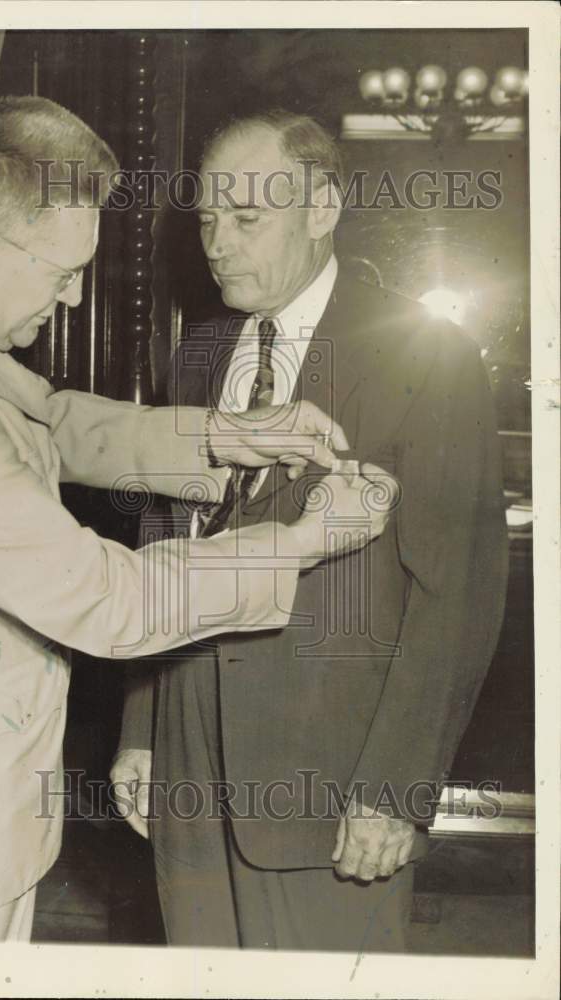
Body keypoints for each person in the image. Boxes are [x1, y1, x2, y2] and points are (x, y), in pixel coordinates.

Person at [0, 96, 393, 942]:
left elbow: (44, 418)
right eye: (63, 274)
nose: (71, 301)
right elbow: (109, 600)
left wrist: (222, 435)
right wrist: (298, 542)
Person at [112, 110, 509, 952]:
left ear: (321, 209)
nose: (219, 242)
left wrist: (395, 788)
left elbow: (457, 590)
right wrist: (142, 731)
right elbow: (161, 549)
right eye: (208, 218)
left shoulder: (423, 352)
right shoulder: (197, 354)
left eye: (247, 218)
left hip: (330, 775)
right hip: (187, 762)